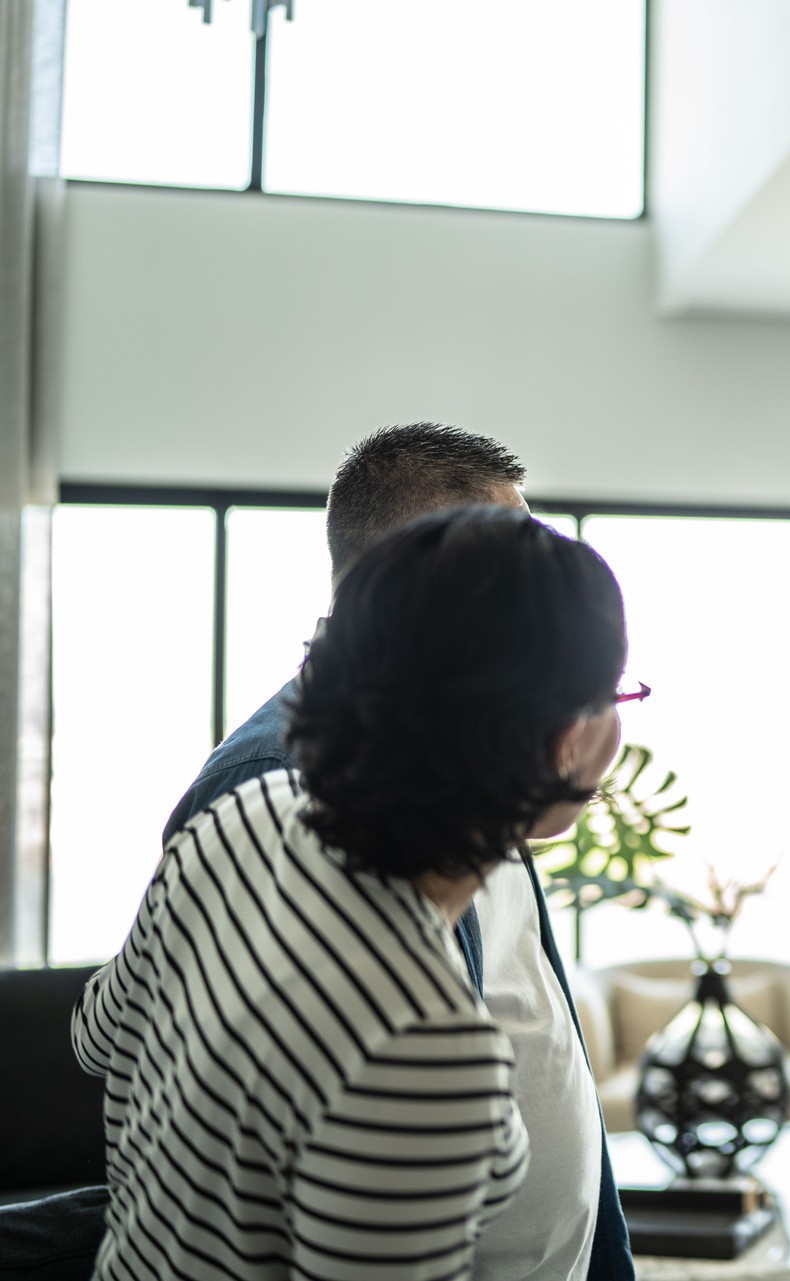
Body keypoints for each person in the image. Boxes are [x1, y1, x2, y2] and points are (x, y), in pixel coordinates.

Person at [73, 506, 636, 1279]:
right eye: (613, 694)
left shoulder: (243, 821)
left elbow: (98, 1038)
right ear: (563, 737)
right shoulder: (427, 1049)